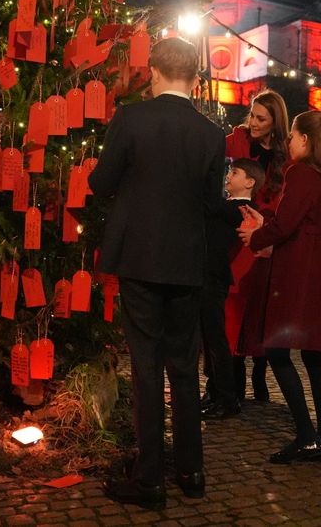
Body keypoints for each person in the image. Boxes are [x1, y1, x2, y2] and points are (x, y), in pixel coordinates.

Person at [88, 37, 225, 509]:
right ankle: (191, 469)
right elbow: (212, 203)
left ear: (153, 71)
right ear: (195, 75)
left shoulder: (131, 119)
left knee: (145, 365)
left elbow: (101, 184)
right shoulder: (211, 133)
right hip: (187, 260)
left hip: (140, 256)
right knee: (184, 365)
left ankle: (149, 478)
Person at [238, 110, 321, 465]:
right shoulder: (320, 175)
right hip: (316, 266)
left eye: (293, 135)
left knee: (277, 349)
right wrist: (266, 221)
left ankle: (306, 435)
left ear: (304, 140)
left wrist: (258, 235)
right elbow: (295, 220)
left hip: (299, 269)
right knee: (313, 356)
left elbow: (286, 226)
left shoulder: (300, 173)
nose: (288, 141)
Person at [225, 90, 289, 401]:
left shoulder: (286, 156)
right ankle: (234, 384)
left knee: (261, 312)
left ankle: (259, 377)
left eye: (261, 118)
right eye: (252, 114)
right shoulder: (239, 139)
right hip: (237, 239)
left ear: (276, 123)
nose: (253, 122)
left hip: (267, 239)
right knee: (234, 311)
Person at [199, 158, 264, 419]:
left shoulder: (241, 208)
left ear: (249, 182)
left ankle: (227, 399)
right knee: (210, 339)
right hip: (209, 275)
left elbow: (209, 206)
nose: (229, 176)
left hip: (212, 277)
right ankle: (216, 394)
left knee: (216, 340)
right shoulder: (231, 208)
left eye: (234, 173)